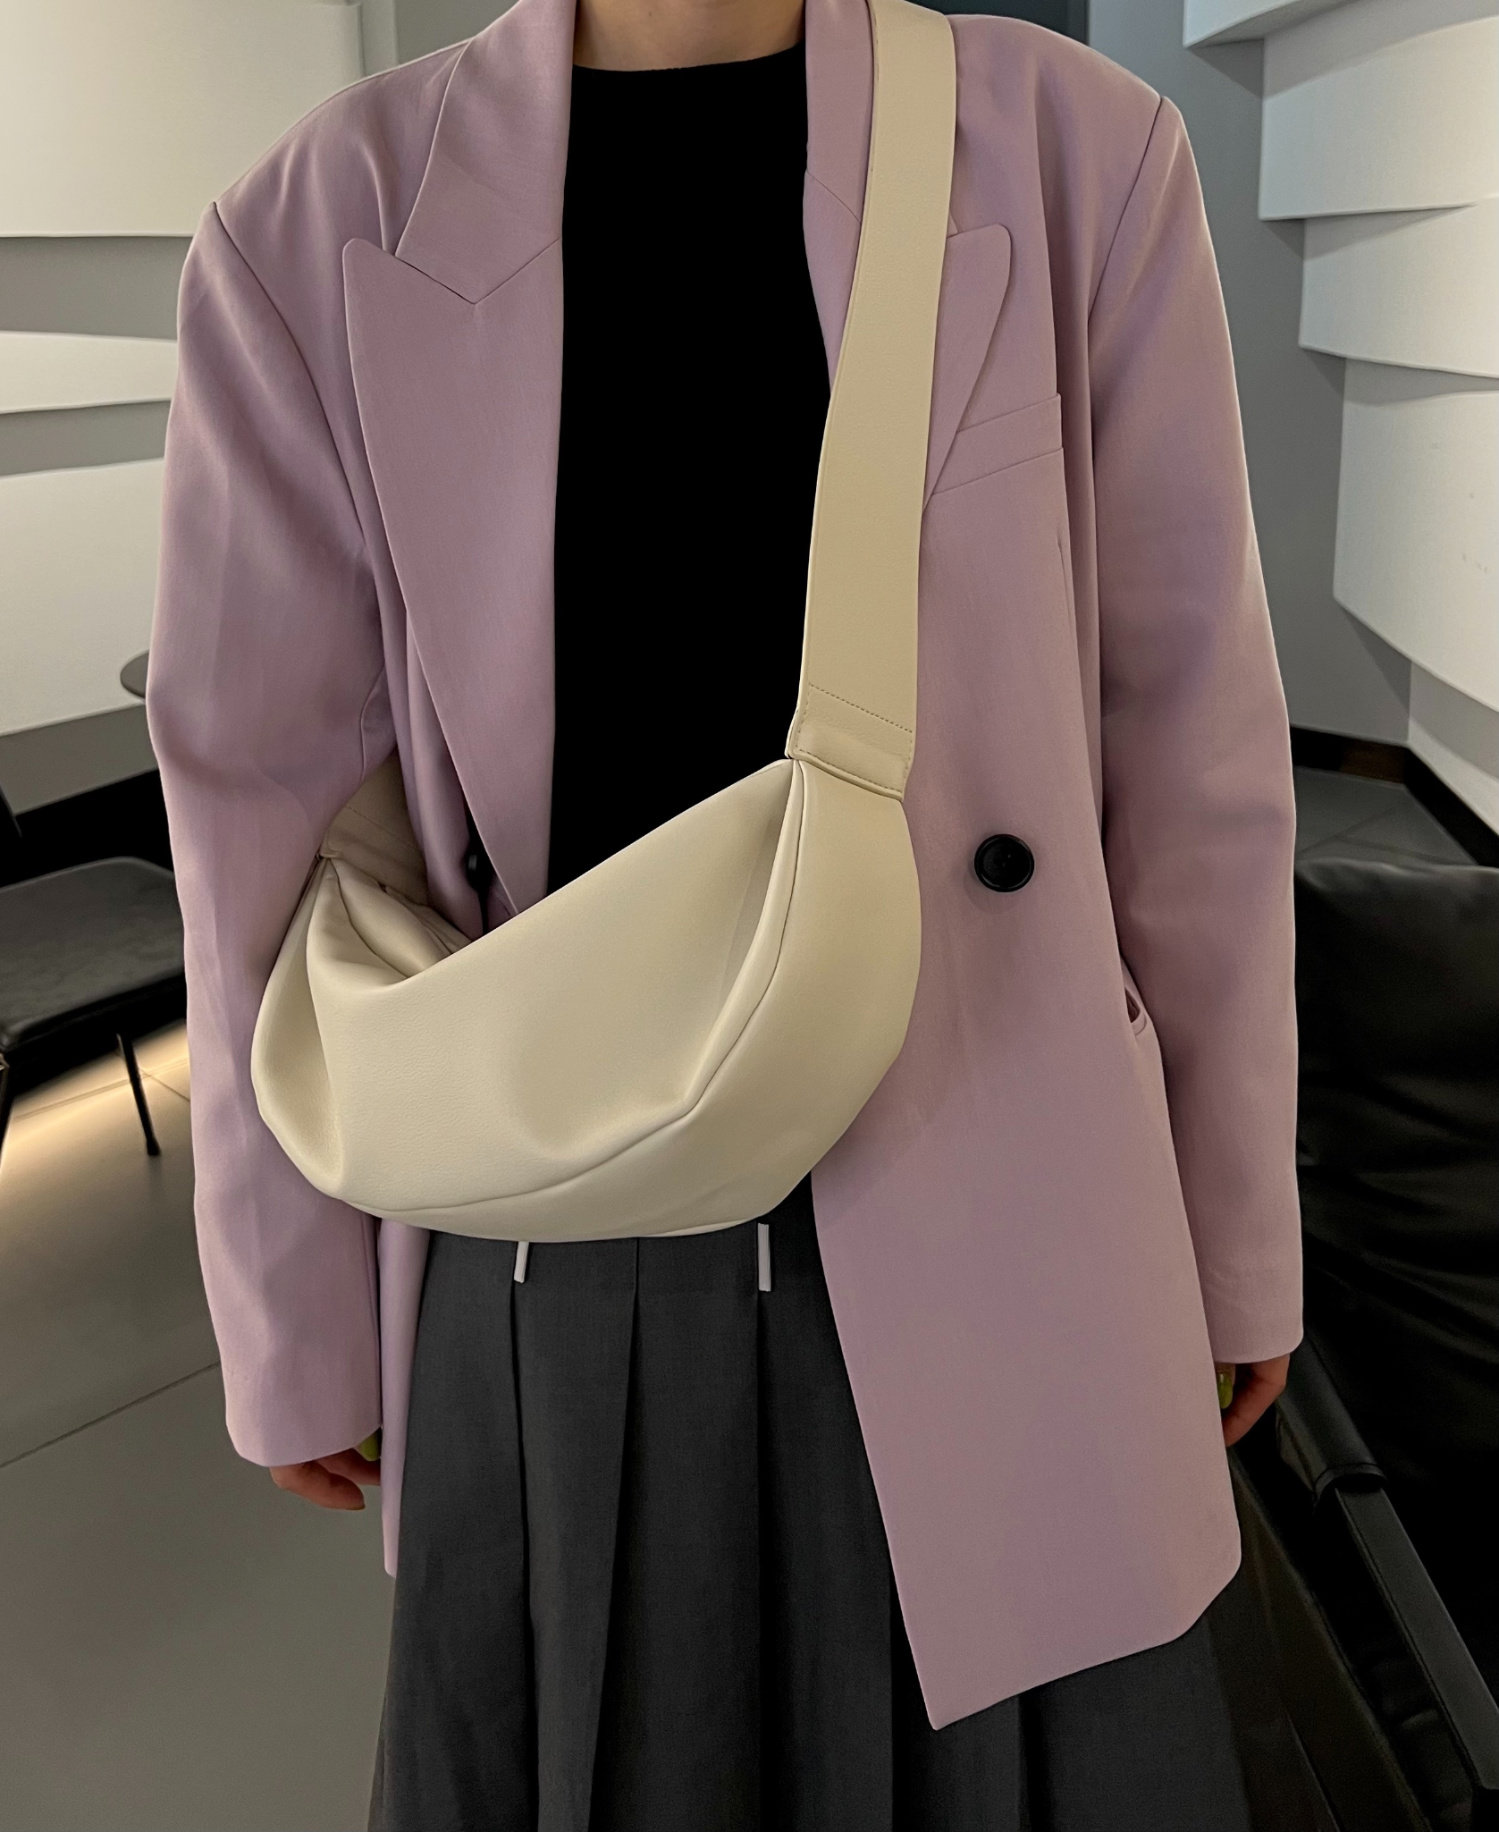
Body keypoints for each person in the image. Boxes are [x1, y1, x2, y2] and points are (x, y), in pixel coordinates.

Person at [145, 0, 1301, 1823]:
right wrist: (295, 1321)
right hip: (563, 1238)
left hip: (1020, 1205)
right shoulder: (316, 222)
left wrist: (1233, 1232)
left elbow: (1188, 753)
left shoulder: (1077, 151)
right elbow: (262, 833)